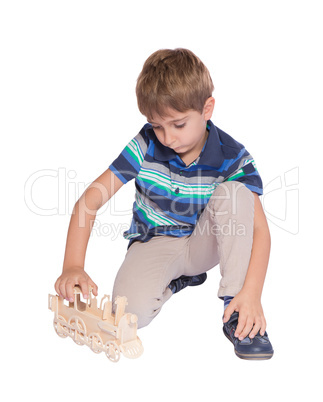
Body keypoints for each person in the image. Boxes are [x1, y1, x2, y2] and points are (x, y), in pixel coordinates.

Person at [55, 48, 274, 360]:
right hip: (155, 241)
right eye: (158, 125)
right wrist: (73, 265)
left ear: (207, 108)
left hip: (204, 244)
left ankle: (236, 310)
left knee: (236, 193)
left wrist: (251, 293)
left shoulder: (232, 155)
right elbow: (90, 200)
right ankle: (178, 281)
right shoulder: (145, 145)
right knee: (130, 315)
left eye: (179, 124)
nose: (168, 137)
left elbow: (260, 232)